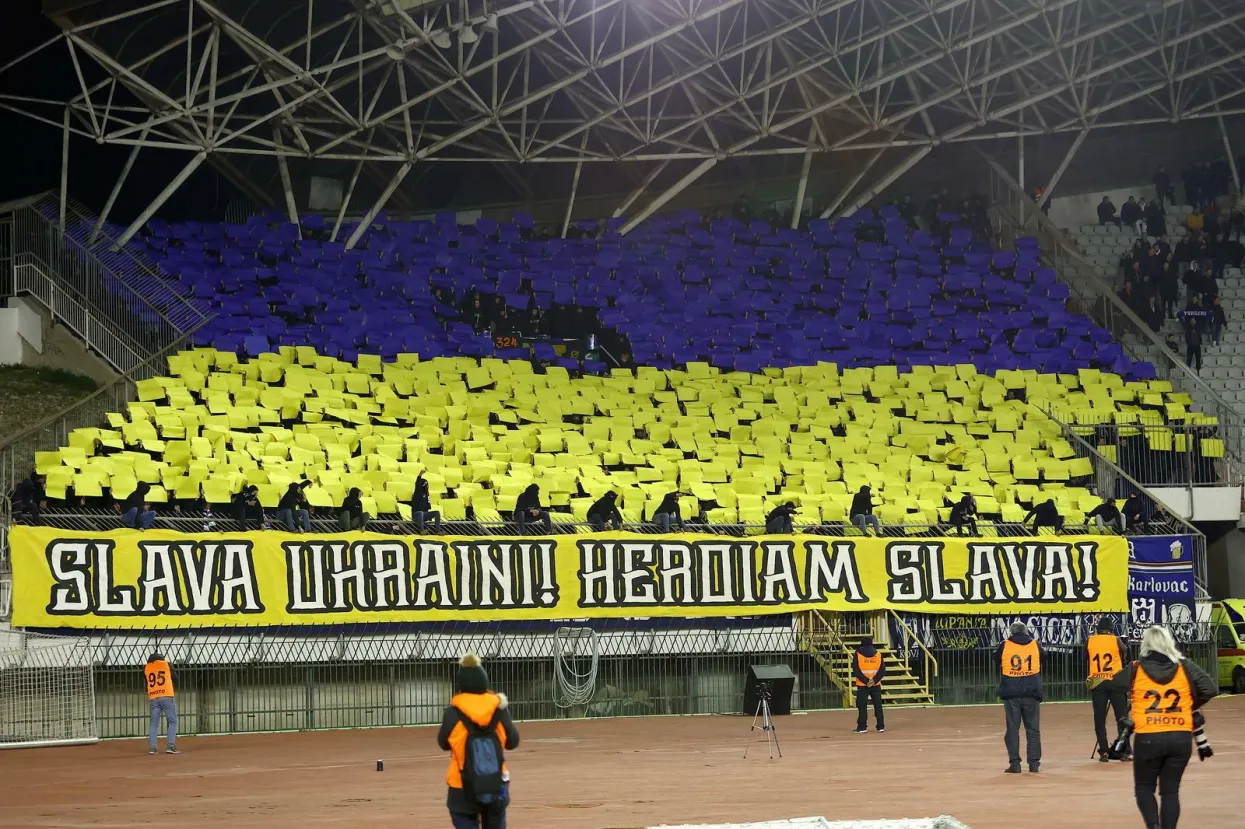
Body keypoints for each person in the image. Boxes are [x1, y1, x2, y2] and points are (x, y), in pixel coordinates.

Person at [1125, 625, 1217, 829]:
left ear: (1146, 644)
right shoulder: (1185, 666)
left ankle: (1153, 825)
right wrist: (1189, 705)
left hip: (1148, 736)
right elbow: (1210, 688)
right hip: (1180, 735)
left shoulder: (1136, 668)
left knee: (1144, 787)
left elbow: (1115, 686)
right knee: (1170, 791)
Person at [437, 652, 520, 829]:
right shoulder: (498, 708)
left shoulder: (453, 712)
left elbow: (443, 743)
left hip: (461, 783)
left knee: (464, 819)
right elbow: (512, 742)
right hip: (495, 781)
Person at [997, 621, 1043, 774]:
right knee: (1033, 729)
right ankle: (1034, 763)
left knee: (1012, 728)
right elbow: (1045, 656)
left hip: (1011, 692)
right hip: (1031, 691)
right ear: (1025, 631)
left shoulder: (1005, 645)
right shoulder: (1035, 644)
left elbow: (996, 658)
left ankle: (1015, 763)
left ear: (1011, 632)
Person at [1088, 618, 1131, 762]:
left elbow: (1085, 658)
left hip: (1098, 682)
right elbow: (1125, 655)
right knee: (1122, 717)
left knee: (1099, 718)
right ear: (1111, 629)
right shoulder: (1116, 640)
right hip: (1116, 681)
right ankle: (1125, 751)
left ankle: (1104, 751)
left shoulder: (1090, 641)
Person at [144, 652, 179, 755]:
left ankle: (152, 748)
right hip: (167, 696)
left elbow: (146, 685)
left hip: (154, 697)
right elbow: (176, 679)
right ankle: (170, 746)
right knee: (172, 721)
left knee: (154, 724)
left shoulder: (146, 668)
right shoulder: (166, 664)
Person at [852, 636, 886, 734]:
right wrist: (874, 680)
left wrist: (866, 681)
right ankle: (880, 726)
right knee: (878, 705)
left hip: (862, 685)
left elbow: (856, 670)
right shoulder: (878, 654)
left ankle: (862, 727)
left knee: (862, 706)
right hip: (876, 685)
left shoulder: (858, 654)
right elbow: (882, 670)